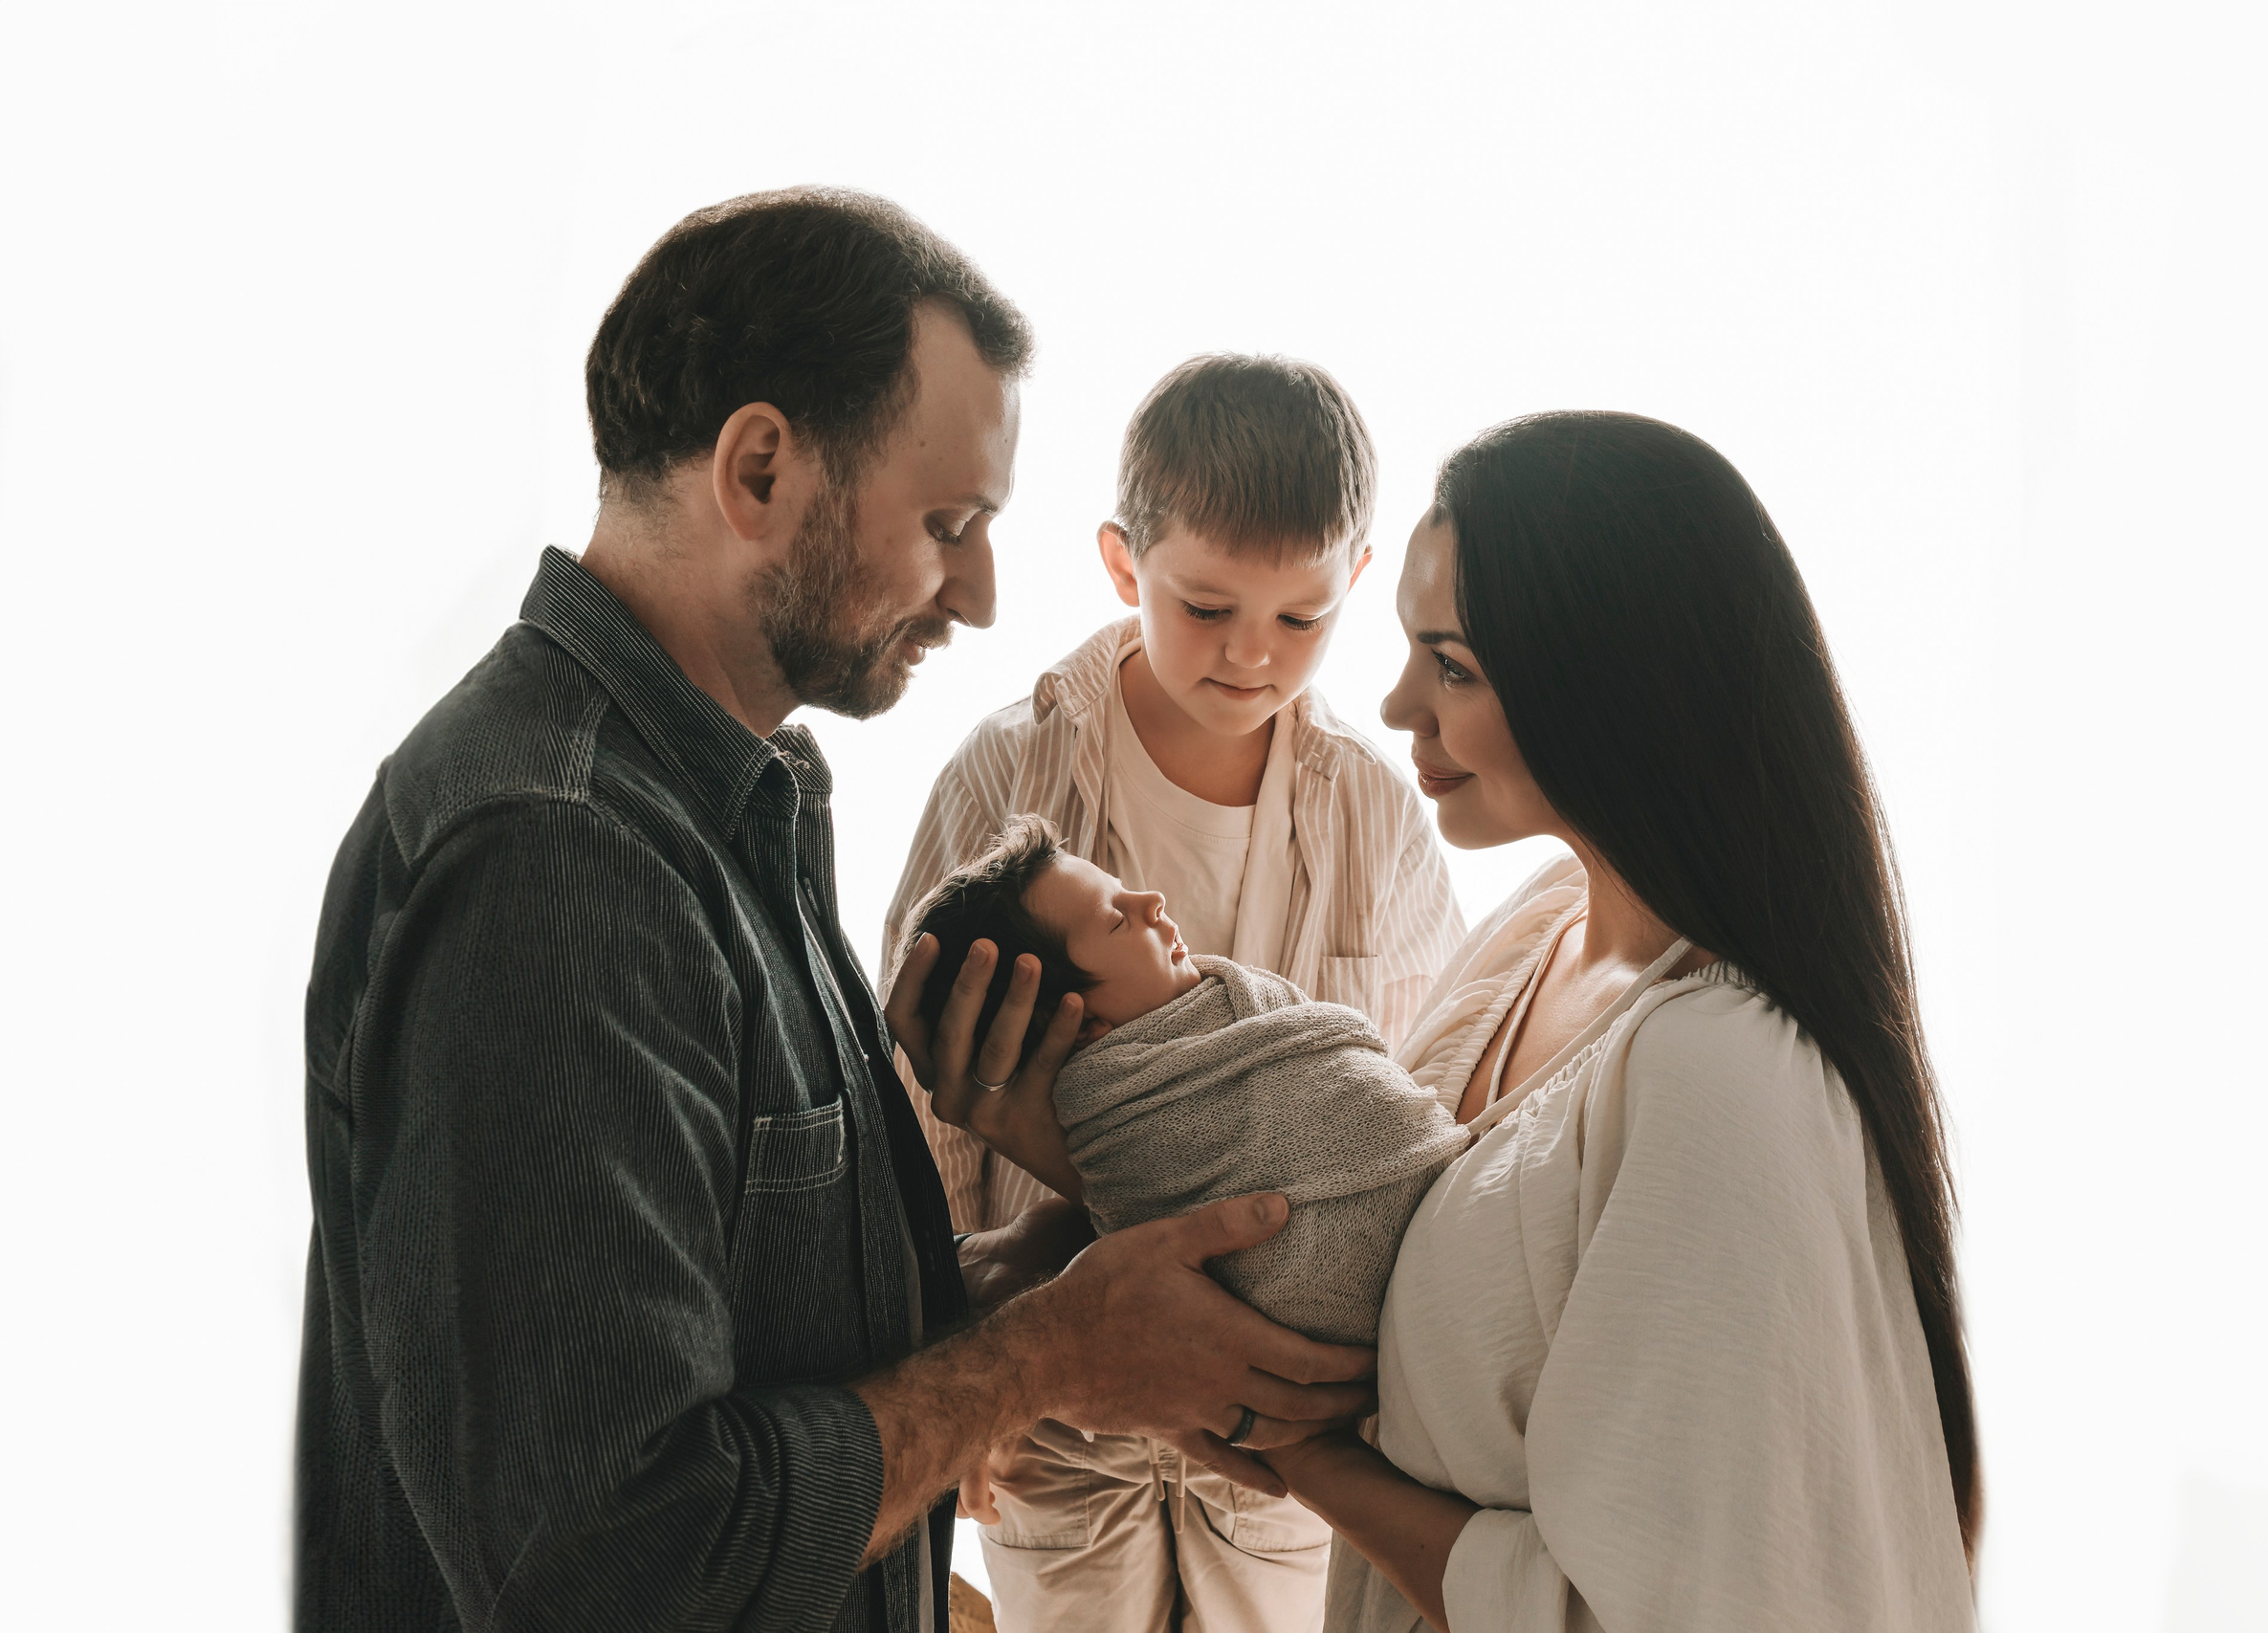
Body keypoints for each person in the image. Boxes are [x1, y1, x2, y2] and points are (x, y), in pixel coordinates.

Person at [294, 187, 1373, 1633]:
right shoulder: (554, 858)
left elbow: (751, 1358)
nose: (985, 595)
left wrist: (1049, 1258)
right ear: (757, 470)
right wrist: (1045, 1357)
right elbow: (618, 1559)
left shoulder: (738, 803)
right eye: (949, 522)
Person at [909, 411, 1984, 1631]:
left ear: (1611, 694)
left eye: (1452, 665)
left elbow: (1632, 1606)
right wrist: (1066, 1185)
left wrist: (1300, 1458)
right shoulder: (1535, 932)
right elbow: (1355, 1213)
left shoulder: (1718, 1077)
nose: (1395, 699)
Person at [881, 354, 1463, 1632]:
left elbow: (1416, 1097)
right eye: (1205, 607)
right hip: (1061, 1417)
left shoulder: (1373, 811)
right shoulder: (1010, 773)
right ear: (1120, 565)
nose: (1253, 656)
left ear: (1356, 582)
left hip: (1289, 1425)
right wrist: (946, 1367)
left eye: (1301, 620)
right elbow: (909, 1109)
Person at [899, 815, 1467, 1346]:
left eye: (1126, 890)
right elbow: (1164, 1220)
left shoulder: (1235, 997)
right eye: (1117, 919)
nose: (1152, 901)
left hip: (1446, 1212)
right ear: (1078, 1022)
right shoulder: (1116, 1112)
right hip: (1375, 1290)